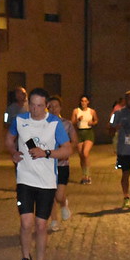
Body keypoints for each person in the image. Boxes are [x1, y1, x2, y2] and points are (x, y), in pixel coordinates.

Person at [6, 88, 71, 260]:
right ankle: (26, 259)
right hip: (25, 179)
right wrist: (13, 152)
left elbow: (67, 149)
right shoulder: (20, 120)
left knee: (41, 225)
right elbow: (9, 139)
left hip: (46, 182)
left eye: (39, 106)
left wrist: (47, 153)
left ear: (46, 106)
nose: (35, 109)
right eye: (32, 105)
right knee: (26, 223)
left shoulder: (54, 123)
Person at [48, 96, 77, 232]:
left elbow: (74, 141)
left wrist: (66, 151)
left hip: (62, 165)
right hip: (47, 165)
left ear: (60, 107)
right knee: (50, 194)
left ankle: (64, 202)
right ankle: (54, 220)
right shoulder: (43, 124)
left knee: (59, 195)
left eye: (56, 106)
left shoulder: (67, 124)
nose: (53, 109)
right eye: (50, 106)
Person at [71, 95, 98, 184]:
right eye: (82, 101)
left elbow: (96, 120)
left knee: (85, 153)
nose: (83, 103)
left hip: (88, 133)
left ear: (88, 102)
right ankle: (84, 175)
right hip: (79, 133)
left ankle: (88, 175)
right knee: (81, 155)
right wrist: (78, 120)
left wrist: (92, 123)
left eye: (85, 101)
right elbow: (72, 122)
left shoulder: (92, 111)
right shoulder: (76, 111)